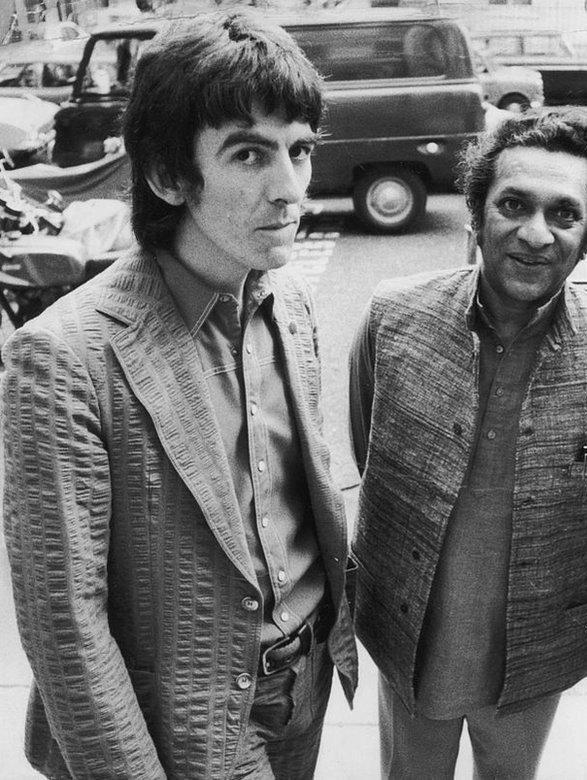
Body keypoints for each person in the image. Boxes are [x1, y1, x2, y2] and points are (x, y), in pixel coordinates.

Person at [1, 12, 357, 779]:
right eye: (249, 154)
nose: (291, 189)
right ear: (169, 176)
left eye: (300, 151)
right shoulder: (64, 355)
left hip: (303, 686)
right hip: (181, 721)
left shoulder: (287, 304)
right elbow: (66, 627)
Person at [349, 108, 587, 778]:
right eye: (513, 204)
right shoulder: (393, 318)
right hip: (413, 632)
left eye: (564, 214)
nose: (533, 233)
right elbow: (368, 450)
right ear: (476, 213)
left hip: (538, 647)